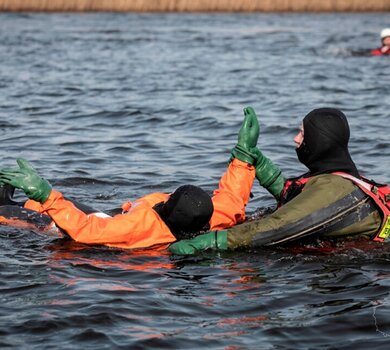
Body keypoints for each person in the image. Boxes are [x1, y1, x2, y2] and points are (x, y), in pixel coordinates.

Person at [0, 107, 260, 249]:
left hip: (87, 234)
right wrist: (244, 154)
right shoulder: (211, 217)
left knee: (23, 217)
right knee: (65, 204)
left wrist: (45, 193)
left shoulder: (139, 228)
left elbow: (86, 231)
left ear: (165, 209)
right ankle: (19, 200)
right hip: (108, 219)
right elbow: (233, 198)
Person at [169, 108, 390, 255]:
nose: (296, 139)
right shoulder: (337, 178)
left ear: (320, 142)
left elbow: (278, 226)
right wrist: (255, 159)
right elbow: (300, 199)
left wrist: (212, 241)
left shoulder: (333, 188)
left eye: (302, 134)